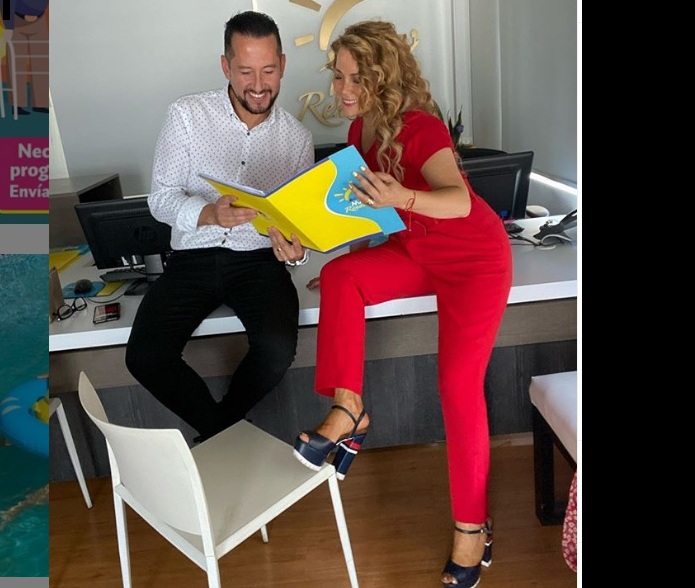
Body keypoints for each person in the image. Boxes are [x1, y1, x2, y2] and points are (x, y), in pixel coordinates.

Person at [292, 20, 512, 588]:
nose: (343, 90)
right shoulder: (360, 129)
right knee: (340, 277)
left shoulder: (421, 127)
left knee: (457, 388)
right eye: (338, 76)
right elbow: (371, 211)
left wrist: (403, 195)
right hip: (417, 251)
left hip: (473, 262)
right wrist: (355, 260)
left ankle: (471, 527)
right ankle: (350, 410)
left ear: (384, 78)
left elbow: (459, 202)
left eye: (356, 79)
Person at [125, 11, 312, 444]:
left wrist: (296, 252)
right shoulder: (187, 116)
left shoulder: (298, 139)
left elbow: (297, 229)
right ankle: (227, 437)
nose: (258, 84)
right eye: (245, 71)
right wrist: (209, 214)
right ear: (226, 66)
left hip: (258, 262)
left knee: (277, 349)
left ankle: (218, 437)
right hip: (191, 259)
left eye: (268, 70)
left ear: (283, 65)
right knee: (146, 356)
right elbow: (161, 199)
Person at [1, 0, 49, 116]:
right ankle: (17, 104)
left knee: (41, 62)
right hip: (16, 21)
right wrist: (9, 26)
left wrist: (38, 13)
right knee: (16, 63)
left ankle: (40, 103)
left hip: (39, 19)